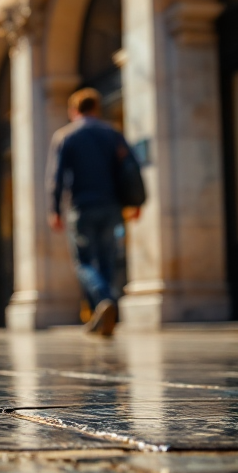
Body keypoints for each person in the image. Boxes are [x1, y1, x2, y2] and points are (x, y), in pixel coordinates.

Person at [47, 88, 141, 337]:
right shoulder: (112, 133)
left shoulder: (66, 136)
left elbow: (56, 177)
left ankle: (103, 301)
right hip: (111, 206)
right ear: (96, 108)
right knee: (107, 259)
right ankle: (100, 314)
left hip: (82, 206)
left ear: (73, 110)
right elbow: (131, 168)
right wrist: (136, 202)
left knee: (85, 262)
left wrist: (54, 209)